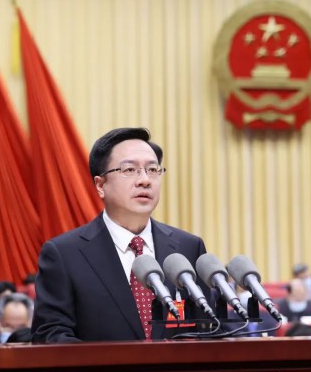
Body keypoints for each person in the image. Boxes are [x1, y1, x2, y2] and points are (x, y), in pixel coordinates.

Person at [31, 128, 211, 343]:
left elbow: (208, 328)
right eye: (130, 170)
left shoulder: (188, 248)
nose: (145, 180)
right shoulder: (64, 254)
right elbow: (50, 335)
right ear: (100, 185)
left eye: (153, 169)